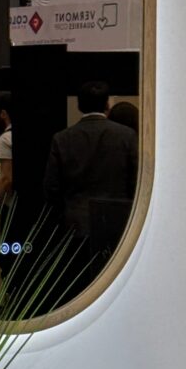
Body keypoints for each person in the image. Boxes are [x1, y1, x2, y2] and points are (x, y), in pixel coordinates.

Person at [43, 81, 138, 291]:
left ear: (79, 105)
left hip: (75, 224)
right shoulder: (126, 136)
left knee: (78, 287)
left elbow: (52, 188)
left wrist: (62, 214)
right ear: (107, 105)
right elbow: (135, 180)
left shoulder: (62, 138)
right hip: (117, 222)